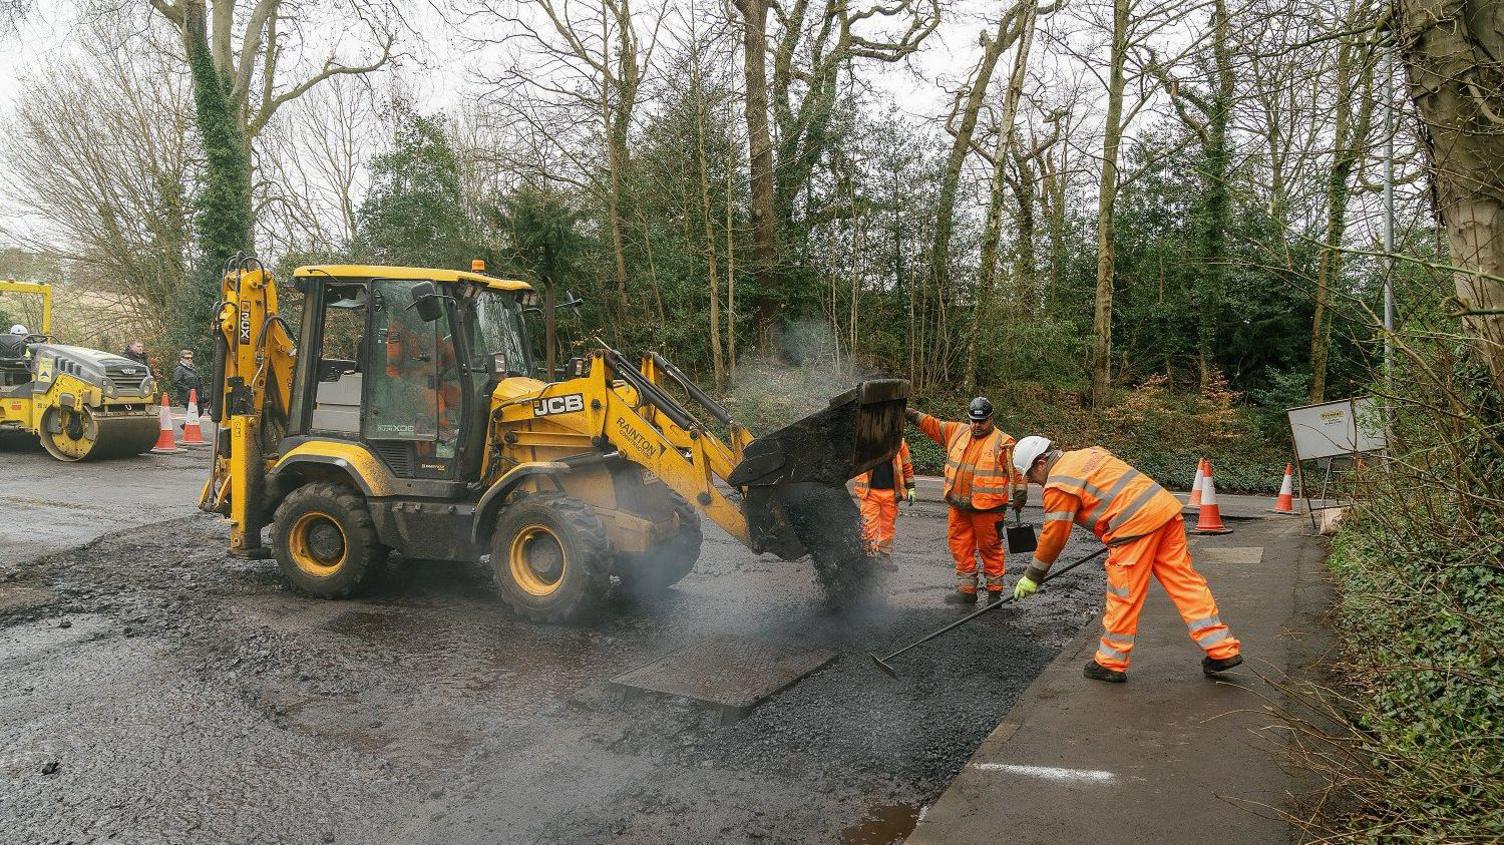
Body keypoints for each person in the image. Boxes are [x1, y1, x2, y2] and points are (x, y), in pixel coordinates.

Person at [1010, 436, 1243, 683]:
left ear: (1041, 463)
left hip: (1134, 529)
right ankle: (1221, 650)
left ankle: (1110, 663)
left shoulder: (1058, 484)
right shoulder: (1089, 453)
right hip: (1164, 511)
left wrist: (1032, 577)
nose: (1035, 483)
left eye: (1032, 477)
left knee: (1124, 594)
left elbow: (1054, 537)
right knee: (1185, 582)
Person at [907, 398, 1027, 604]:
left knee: (990, 548)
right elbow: (932, 424)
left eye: (981, 422)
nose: (977, 425)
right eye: (973, 421)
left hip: (988, 508)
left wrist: (1020, 493)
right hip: (958, 505)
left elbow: (1017, 471)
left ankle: (994, 593)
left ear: (991, 419)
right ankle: (967, 590)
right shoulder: (957, 432)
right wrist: (909, 414)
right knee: (960, 547)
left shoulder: (1004, 442)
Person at [853, 439, 915, 571]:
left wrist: (911, 487)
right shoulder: (865, 440)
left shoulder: (899, 443)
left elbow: (906, 465)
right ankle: (868, 556)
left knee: (887, 527)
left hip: (891, 493)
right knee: (868, 527)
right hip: (869, 493)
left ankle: (884, 555)